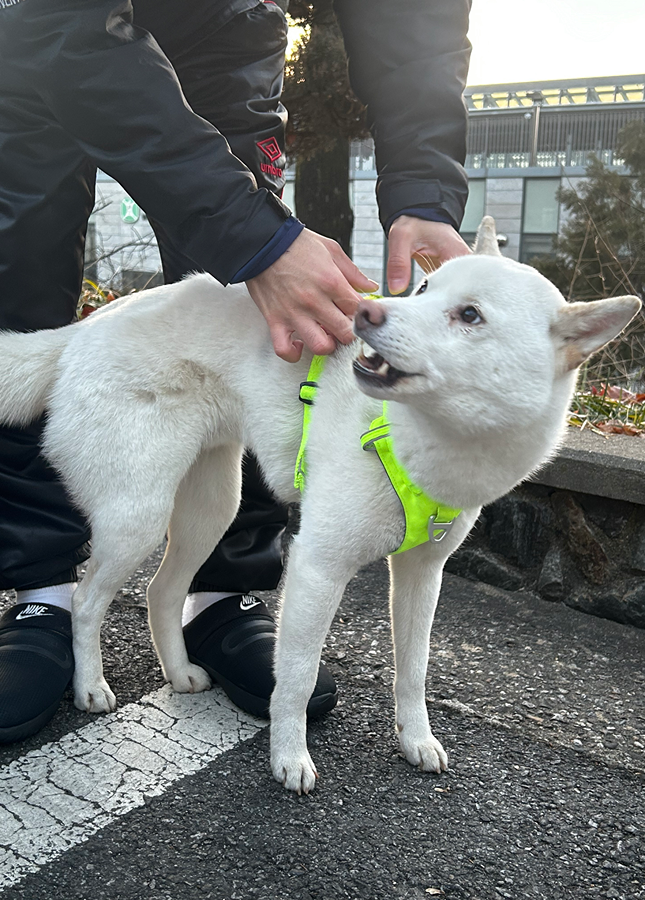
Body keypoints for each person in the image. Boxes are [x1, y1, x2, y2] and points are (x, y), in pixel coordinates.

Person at [0, 0, 472, 743]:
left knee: (263, 331)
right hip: (46, 26)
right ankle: (44, 594)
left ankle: (222, 591)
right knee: (20, 275)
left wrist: (422, 184)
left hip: (225, 24)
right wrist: (256, 238)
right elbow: (63, 23)